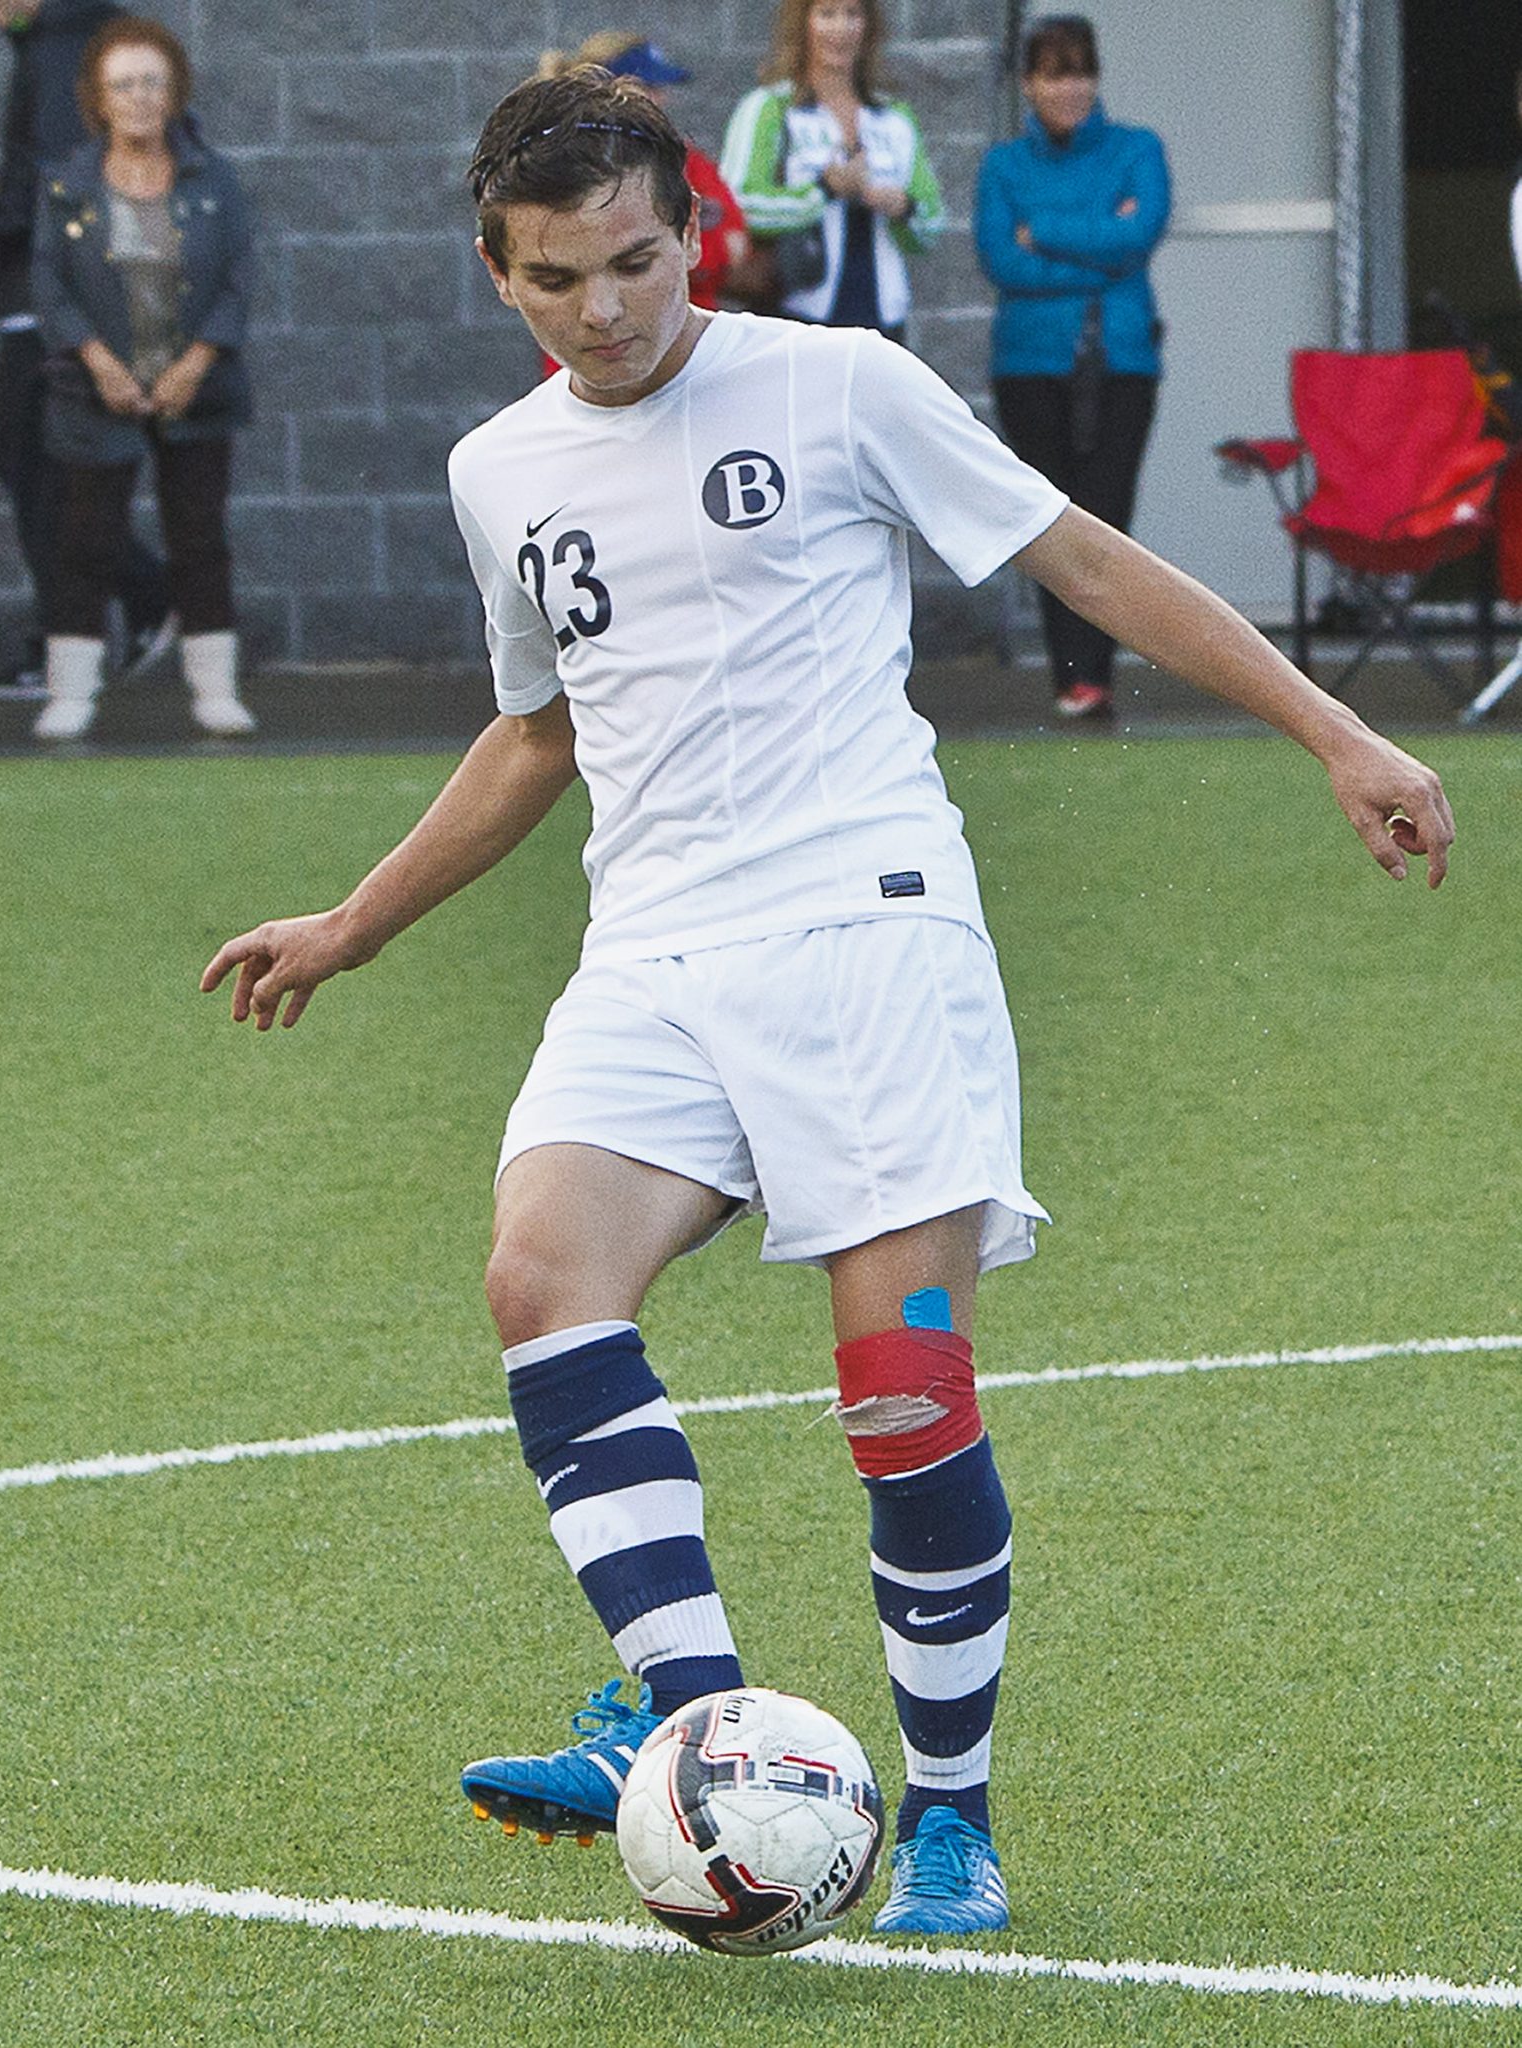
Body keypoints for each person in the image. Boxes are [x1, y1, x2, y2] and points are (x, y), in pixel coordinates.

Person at [200, 71, 1453, 1939]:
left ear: (689, 228)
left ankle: (947, 1817)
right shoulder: (497, 469)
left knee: (901, 1387)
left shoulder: (838, 383)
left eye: (633, 260)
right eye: (557, 278)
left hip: (868, 931)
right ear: (495, 270)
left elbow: (1080, 560)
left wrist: (1335, 729)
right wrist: (358, 921)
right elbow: (538, 731)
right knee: (543, 1279)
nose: (605, 309)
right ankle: (691, 1725)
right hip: (650, 951)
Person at [29, 15, 256, 741]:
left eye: (151, 82)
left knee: (200, 538)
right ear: (98, 98)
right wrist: (97, 362)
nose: (138, 98)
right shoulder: (68, 185)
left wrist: (196, 363)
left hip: (195, 393)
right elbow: (47, 284)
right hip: (99, 396)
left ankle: (214, 692)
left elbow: (240, 278)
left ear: (174, 89)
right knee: (84, 542)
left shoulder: (213, 177)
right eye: (122, 85)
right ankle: (71, 695)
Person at [0, 0, 172, 703]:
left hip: (50, 302)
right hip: (83, 293)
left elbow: (53, 183)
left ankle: (101, 622)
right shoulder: (87, 36)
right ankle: (115, 613)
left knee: (33, 466)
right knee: (45, 467)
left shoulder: (61, 47)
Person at [975, 14, 1169, 719]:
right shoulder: (1003, 165)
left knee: (1110, 513)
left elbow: (1139, 235)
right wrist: (1100, 252)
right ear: (1028, 84)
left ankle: (1098, 675)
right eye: (1055, 73)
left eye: (1081, 71)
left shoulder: (1138, 148)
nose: (1071, 88)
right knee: (1052, 516)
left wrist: (1046, 233)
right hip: (1029, 364)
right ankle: (1071, 680)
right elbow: (1001, 259)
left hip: (1121, 361)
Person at [720, 0, 943, 340]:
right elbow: (738, 204)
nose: (841, 29)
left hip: (883, 316)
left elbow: (932, 223)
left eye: (853, 14)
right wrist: (822, 190)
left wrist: (901, 206)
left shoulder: (895, 116)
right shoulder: (770, 107)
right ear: (803, 23)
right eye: (827, 14)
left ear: (869, 25)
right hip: (796, 313)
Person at [535, 36, 752, 316]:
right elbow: (607, 255)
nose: (661, 98)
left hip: (687, 331)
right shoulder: (566, 162)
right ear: (605, 90)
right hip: (596, 329)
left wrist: (696, 256)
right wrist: (700, 251)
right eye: (646, 87)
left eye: (659, 88)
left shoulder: (685, 158)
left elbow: (735, 242)